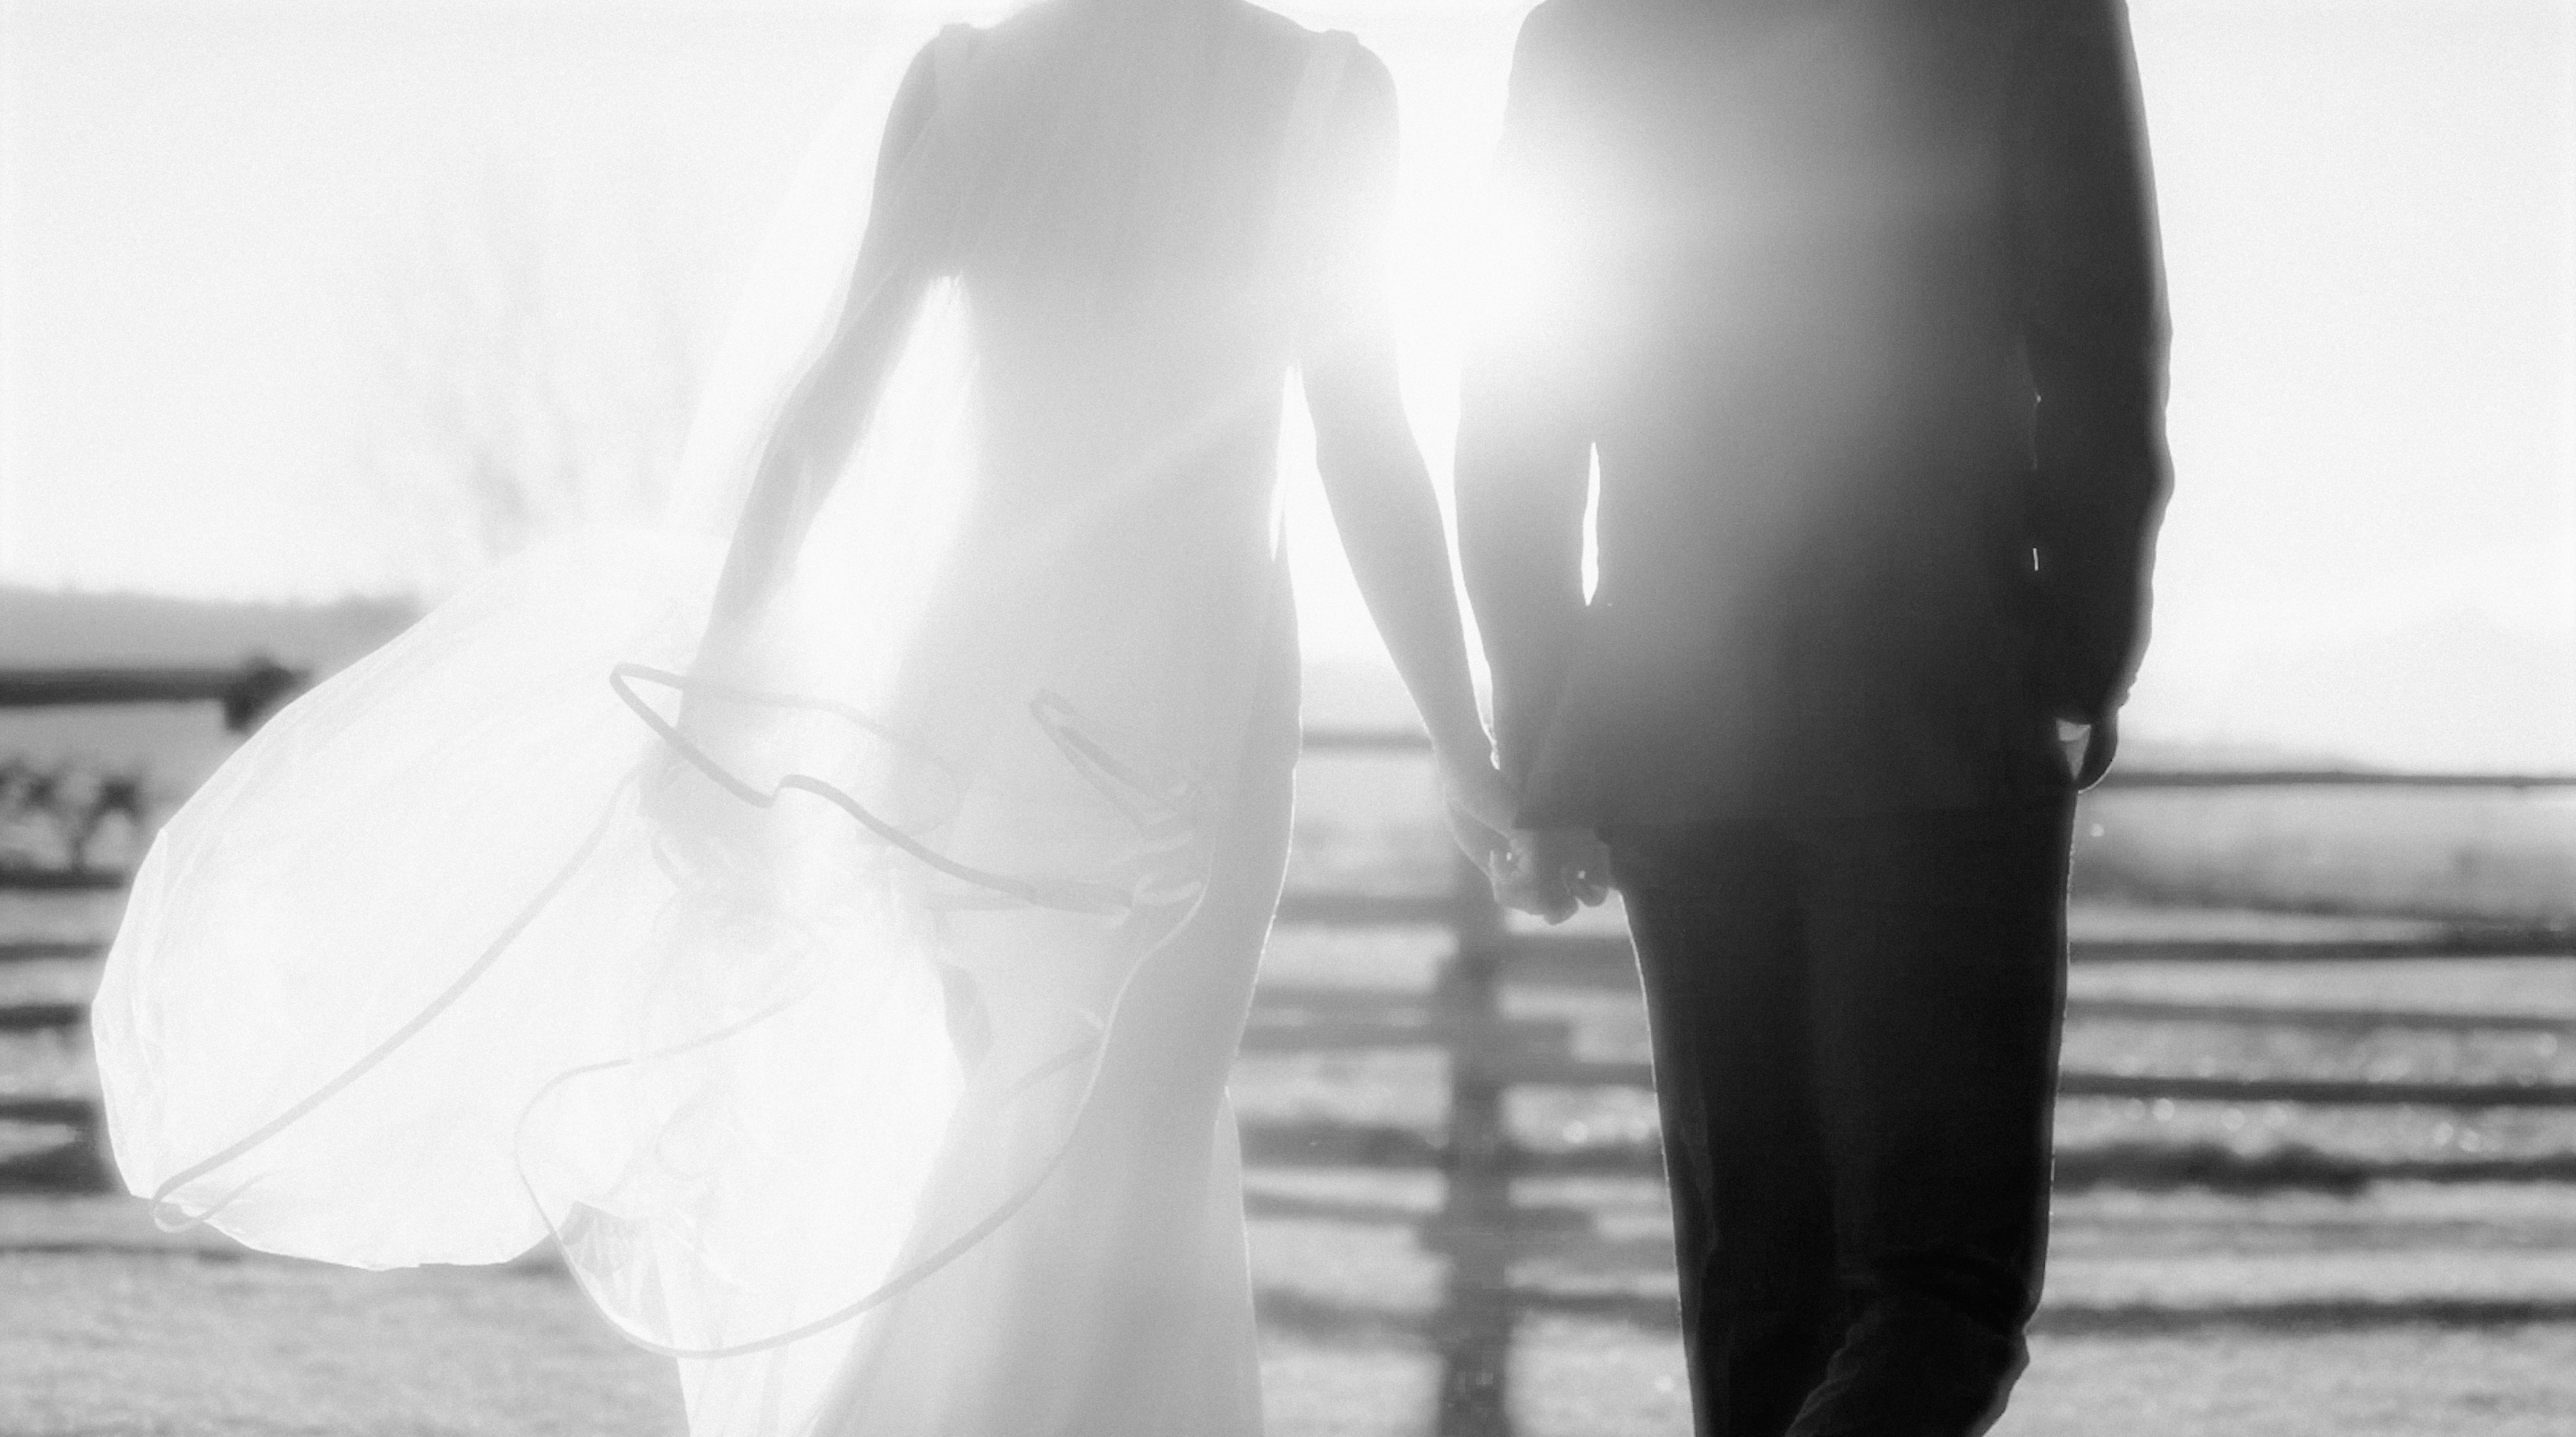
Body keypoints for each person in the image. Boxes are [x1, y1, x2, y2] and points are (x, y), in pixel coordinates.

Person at [92, 3, 1513, 1433]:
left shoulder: (975, 84)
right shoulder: (1325, 97)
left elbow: (836, 393)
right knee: (1127, 1136)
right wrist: (1463, 743)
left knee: (1040, 1124)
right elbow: (1365, 443)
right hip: (1193, 685)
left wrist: (729, 655)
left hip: (985, 681)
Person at [1459, 0, 2171, 1433]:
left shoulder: (1588, 27)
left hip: (1676, 720)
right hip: (1944, 700)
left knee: (1762, 1300)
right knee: (1941, 1296)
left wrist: (1549, 738)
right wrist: (2070, 666)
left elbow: (1522, 399)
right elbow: (2100, 338)